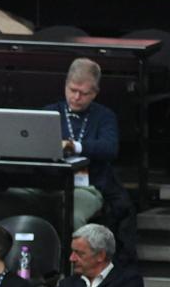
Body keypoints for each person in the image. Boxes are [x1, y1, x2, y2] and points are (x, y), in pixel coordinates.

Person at [46, 59, 131, 240]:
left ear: (94, 93)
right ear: (65, 85)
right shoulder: (49, 113)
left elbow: (110, 148)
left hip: (87, 186)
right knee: (8, 204)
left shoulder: (104, 116)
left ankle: (75, 258)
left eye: (84, 93)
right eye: (72, 90)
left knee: (73, 216)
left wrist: (74, 147)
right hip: (48, 184)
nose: (76, 97)